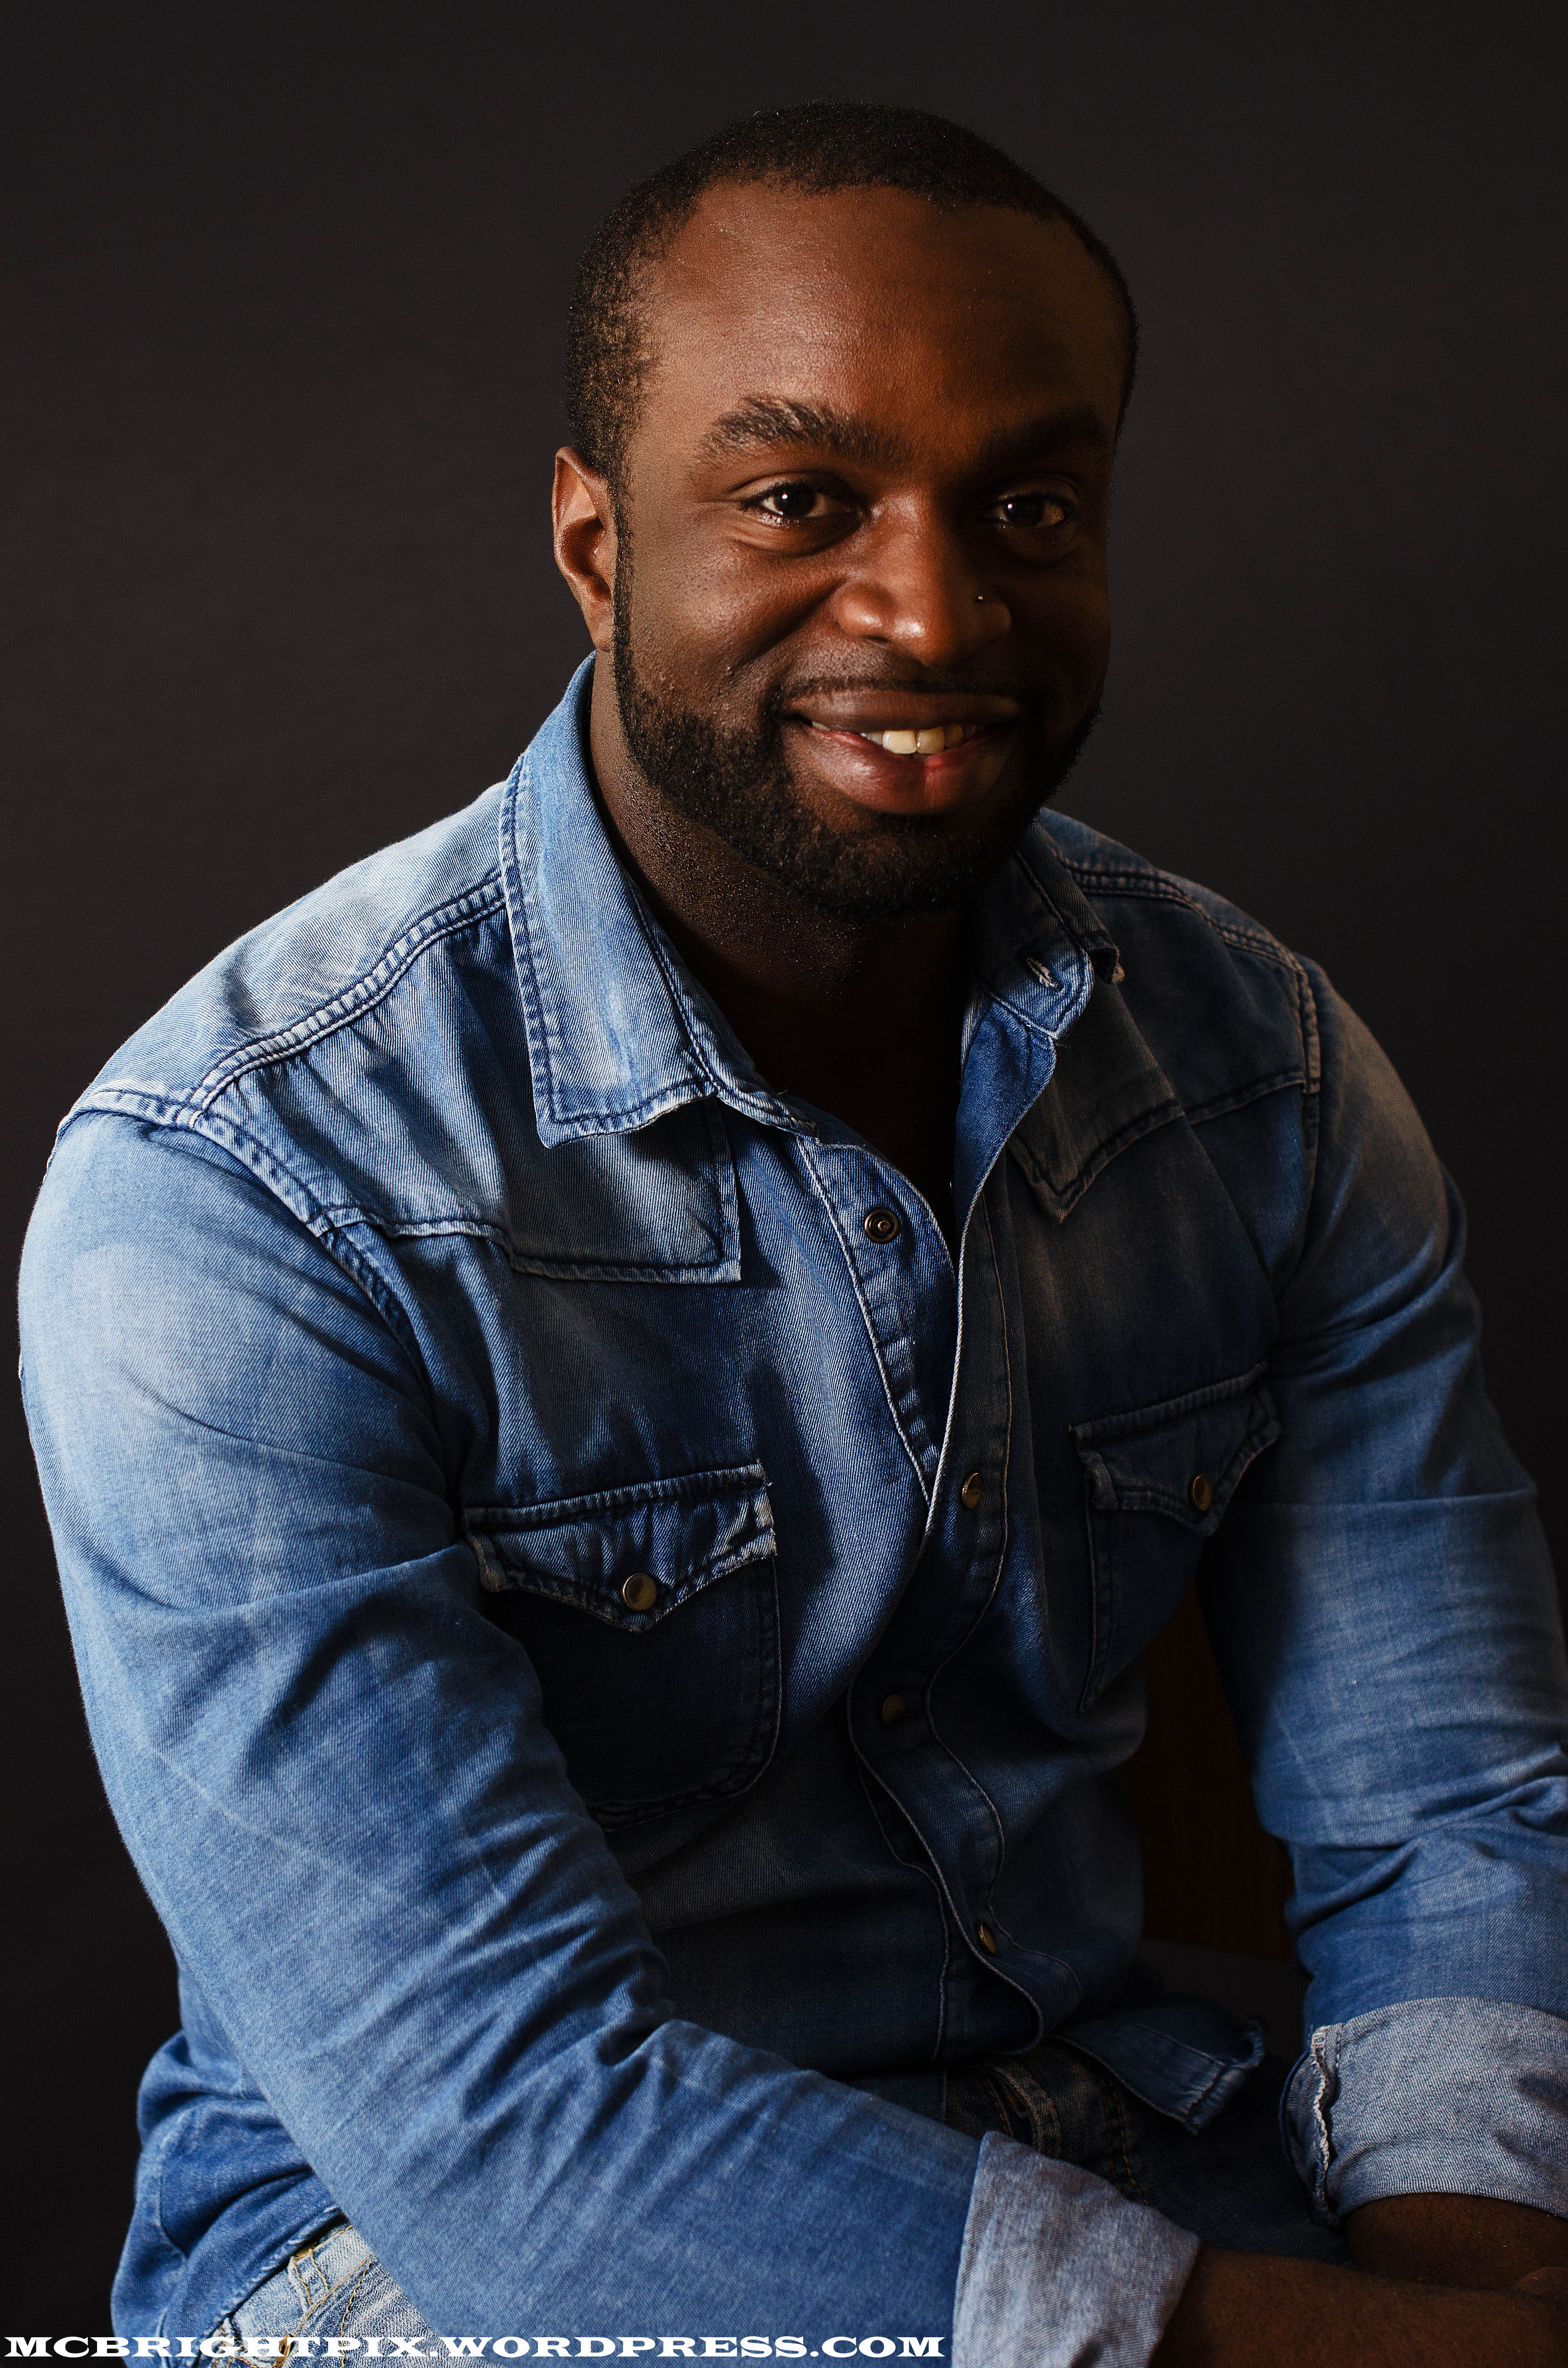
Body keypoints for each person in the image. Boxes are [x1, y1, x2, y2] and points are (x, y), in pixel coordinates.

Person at [19, 101, 1568, 2366]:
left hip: (1119, 2143)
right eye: (799, 501)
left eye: (1027, 507)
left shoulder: (1265, 1074)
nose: (933, 613)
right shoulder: (246, 1185)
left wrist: (1488, 2290)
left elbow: (1452, 1802)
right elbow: (512, 2140)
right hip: (429, 2260)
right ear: (596, 544)